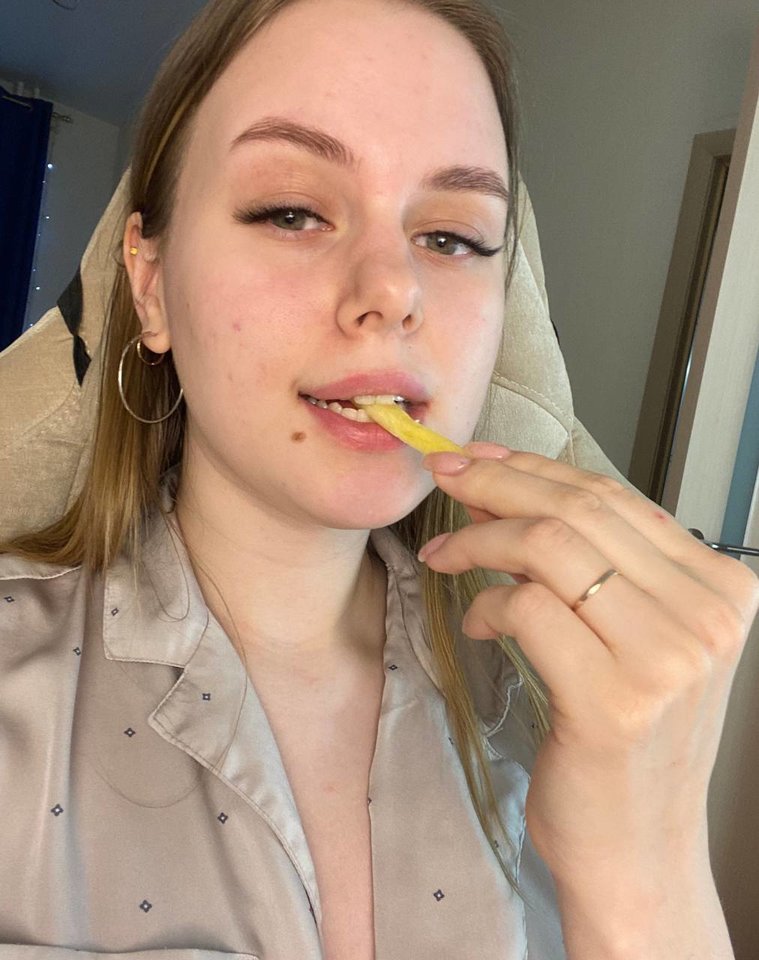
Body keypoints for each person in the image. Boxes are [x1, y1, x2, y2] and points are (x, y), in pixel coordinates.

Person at [1, 0, 757, 957]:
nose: (394, 290)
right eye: (290, 211)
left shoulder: (570, 714)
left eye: (452, 238)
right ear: (150, 285)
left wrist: (649, 872)